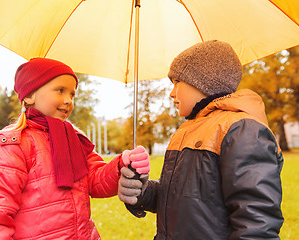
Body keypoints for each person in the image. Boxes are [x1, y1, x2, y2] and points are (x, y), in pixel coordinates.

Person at [118, 40, 284, 239]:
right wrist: (143, 191)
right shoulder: (186, 131)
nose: (172, 93)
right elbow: (180, 200)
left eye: (176, 82)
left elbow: (257, 221)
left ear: (202, 81)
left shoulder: (241, 129)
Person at [0, 58, 150, 240]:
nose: (68, 100)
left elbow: (95, 180)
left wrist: (121, 165)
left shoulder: (74, 139)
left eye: (72, 94)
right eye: (60, 90)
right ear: (29, 95)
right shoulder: (12, 145)